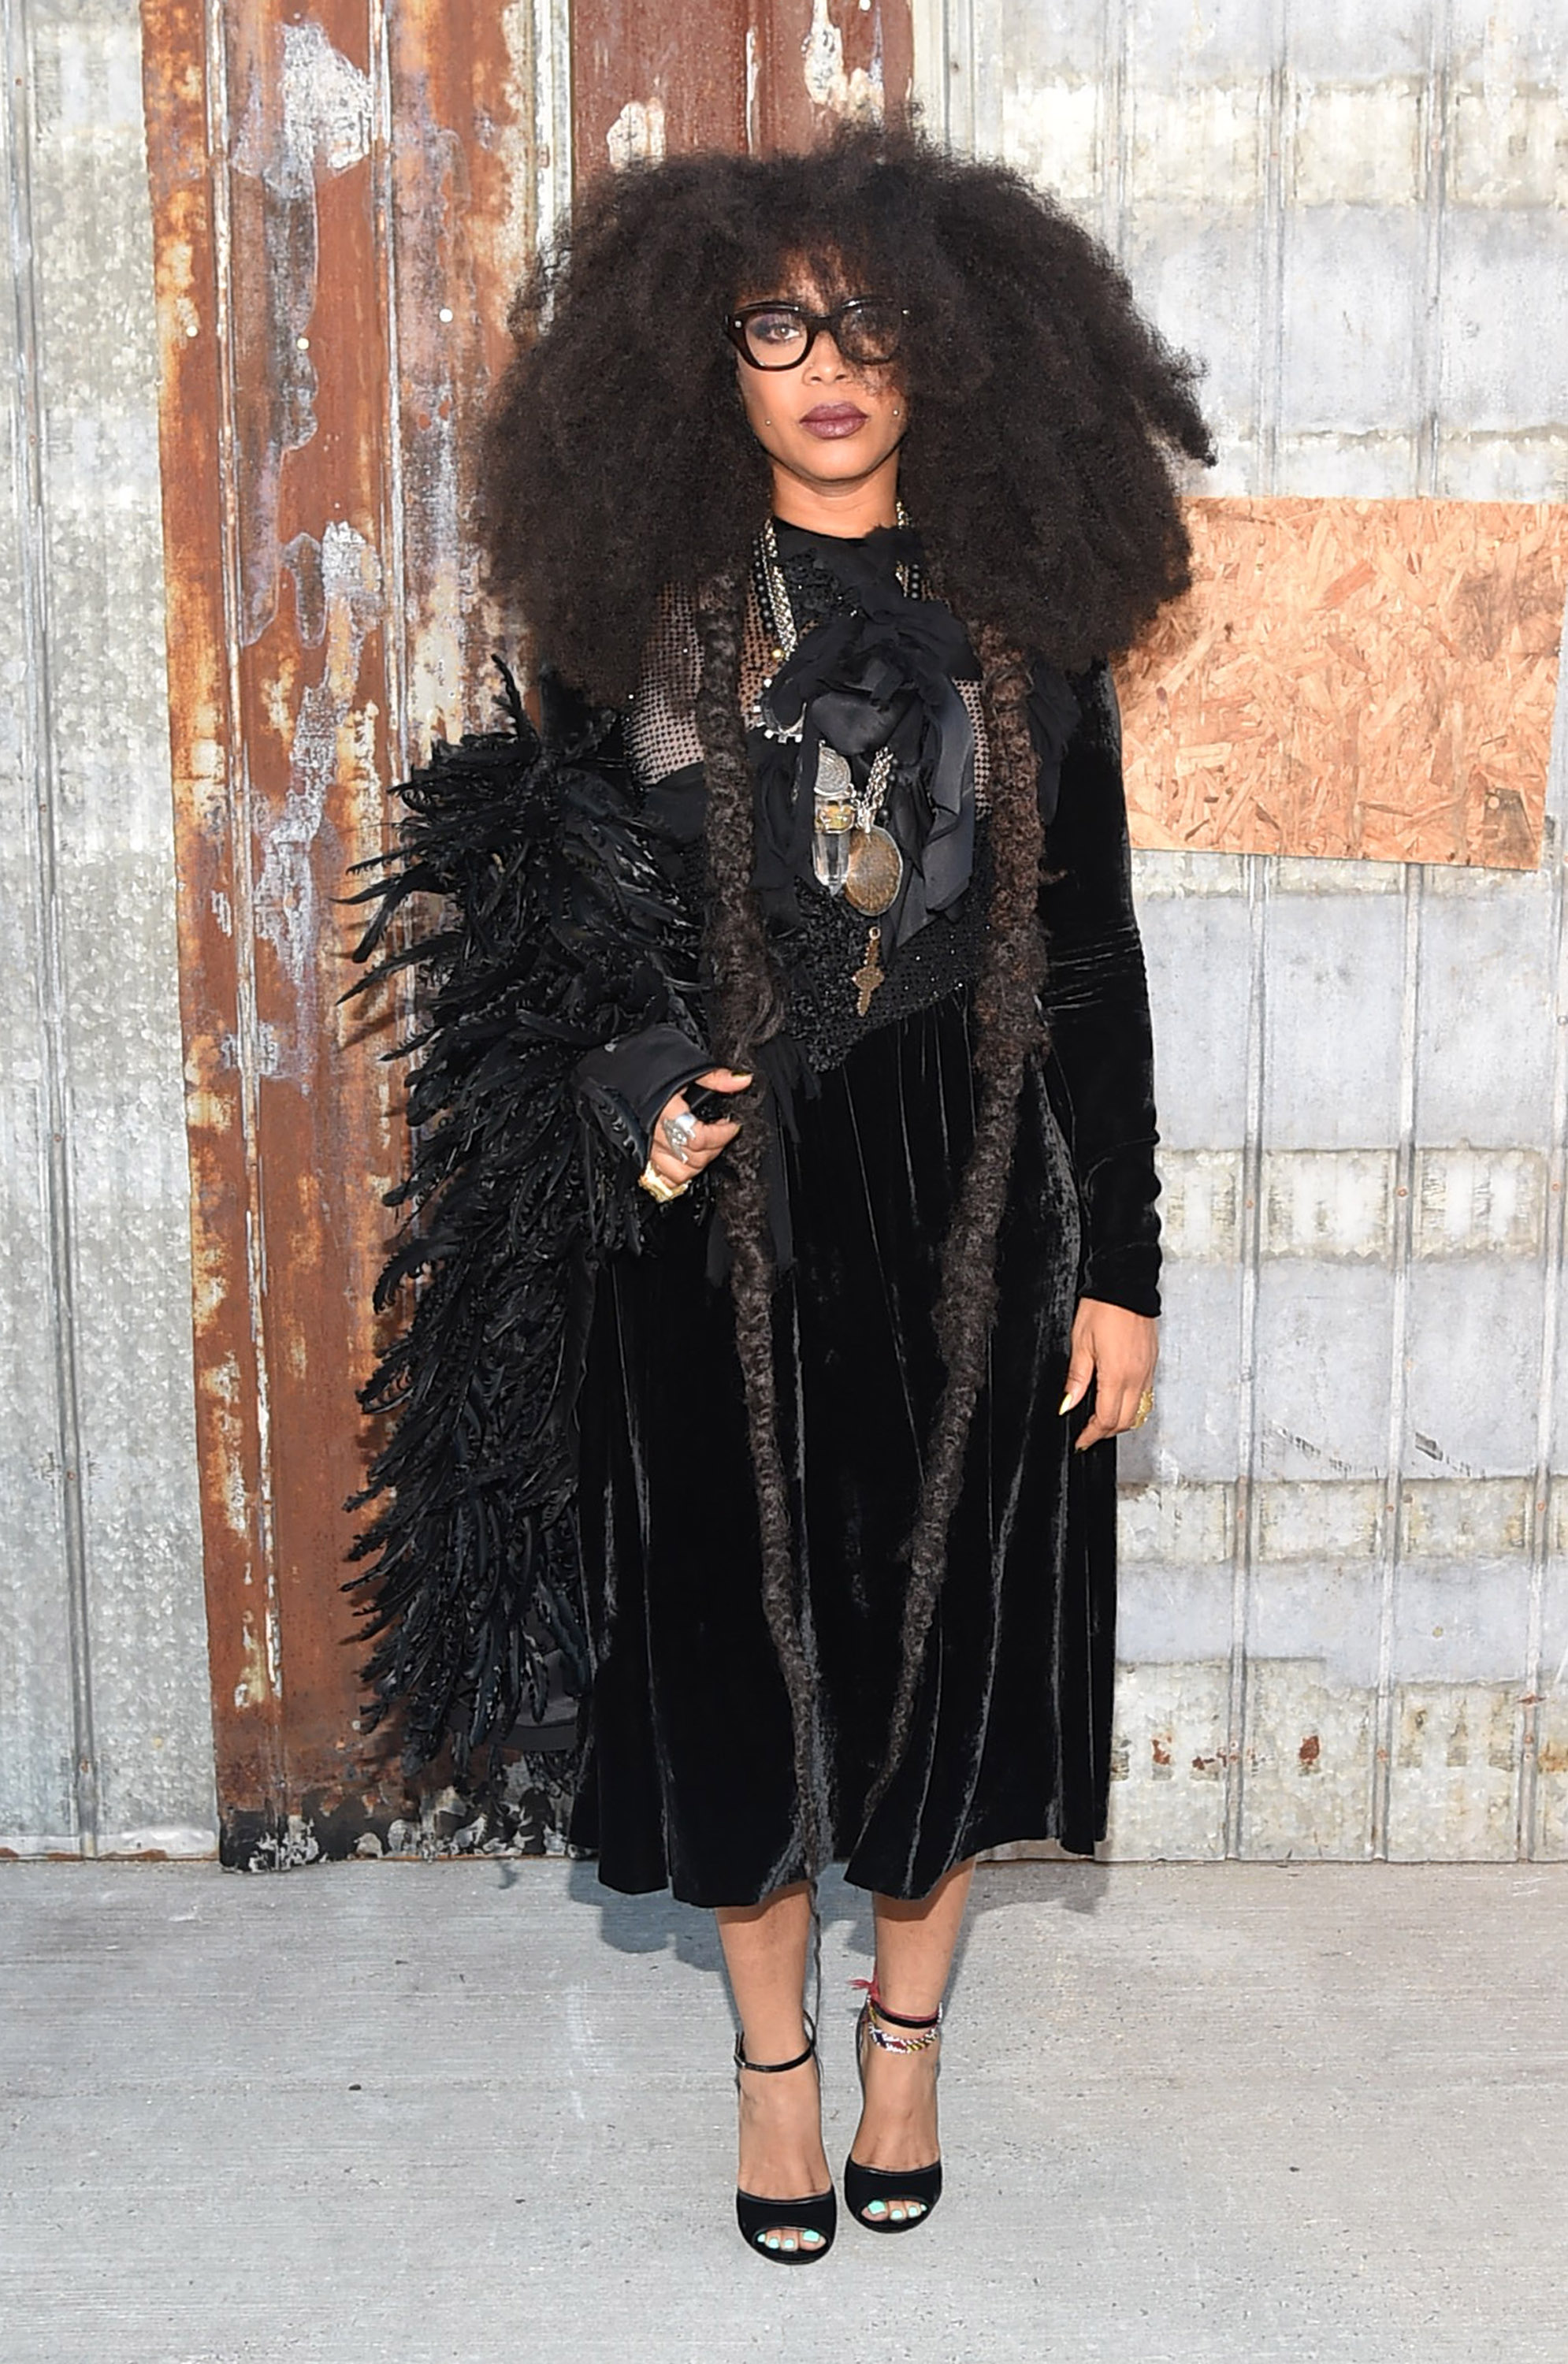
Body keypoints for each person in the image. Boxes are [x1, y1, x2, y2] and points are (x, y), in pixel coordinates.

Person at [347, 125, 1212, 2263]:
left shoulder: (1032, 628)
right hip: (723, 1204)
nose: (826, 366)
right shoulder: (642, 628)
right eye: (776, 326)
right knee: (733, 1642)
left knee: (947, 1638)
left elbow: (1091, 960)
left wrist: (1124, 1271)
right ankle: (772, 2069)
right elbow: (557, 930)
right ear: (704, 359)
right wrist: (644, 1095)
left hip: (977, 1200)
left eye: (869, 322)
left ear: (954, 349)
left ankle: (906, 2039)